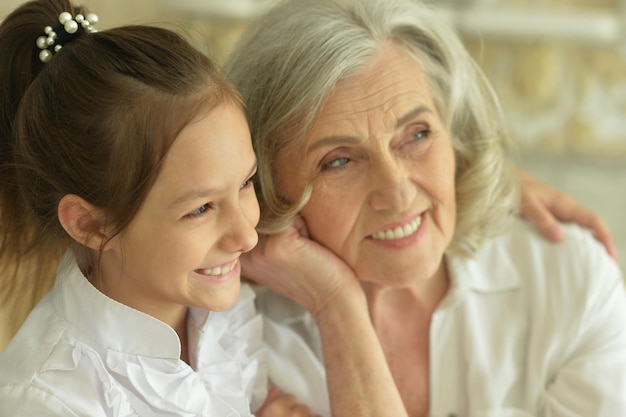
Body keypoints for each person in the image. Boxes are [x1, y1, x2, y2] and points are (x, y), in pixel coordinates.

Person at [225, 0, 626, 415]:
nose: (397, 193)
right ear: (265, 183)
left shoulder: (566, 280)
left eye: (417, 135)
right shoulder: (229, 339)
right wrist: (336, 304)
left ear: (453, 132)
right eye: (339, 161)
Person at [0, 1, 319, 416]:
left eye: (245, 183)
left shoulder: (227, 307)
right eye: (201, 208)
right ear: (91, 223)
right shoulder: (50, 400)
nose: (247, 236)